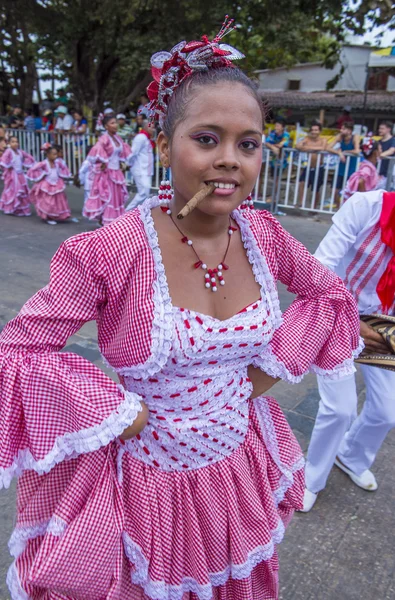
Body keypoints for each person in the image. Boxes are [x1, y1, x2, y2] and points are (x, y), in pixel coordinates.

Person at [0, 24, 361, 600]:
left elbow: (330, 297)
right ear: (166, 146)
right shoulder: (112, 249)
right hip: (148, 485)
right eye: (207, 139)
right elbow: (18, 349)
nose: (229, 161)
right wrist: (120, 410)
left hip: (236, 470)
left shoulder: (264, 236)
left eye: (248, 144)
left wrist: (258, 378)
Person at [301, 188, 395, 513]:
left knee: (387, 412)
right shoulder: (365, 206)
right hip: (336, 311)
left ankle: (351, 455)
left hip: (384, 326)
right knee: (341, 410)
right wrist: (352, 323)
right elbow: (319, 268)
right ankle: (310, 479)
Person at [83, 115, 131, 225]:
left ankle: (113, 221)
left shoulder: (117, 138)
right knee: (109, 197)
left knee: (117, 198)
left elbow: (121, 153)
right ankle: (107, 221)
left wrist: (122, 164)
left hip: (117, 172)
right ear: (106, 126)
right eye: (112, 123)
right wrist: (103, 162)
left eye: (115, 122)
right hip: (107, 173)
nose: (115, 125)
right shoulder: (104, 139)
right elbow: (97, 152)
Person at [27, 142, 75, 225]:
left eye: (56, 154)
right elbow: (33, 170)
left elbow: (64, 168)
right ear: (48, 154)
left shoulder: (58, 163)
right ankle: (48, 217)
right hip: (47, 184)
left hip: (56, 183)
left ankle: (58, 215)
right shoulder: (43, 163)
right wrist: (42, 174)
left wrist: (63, 173)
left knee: (58, 201)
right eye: (53, 154)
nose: (55, 156)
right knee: (48, 202)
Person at [0, 135, 35, 216]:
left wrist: (27, 162)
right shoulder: (8, 151)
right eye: (13, 142)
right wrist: (9, 165)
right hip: (13, 175)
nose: (15, 143)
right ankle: (12, 208)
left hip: (20, 174)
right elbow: (4, 161)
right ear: (8, 143)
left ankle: (20, 208)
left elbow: (28, 156)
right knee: (14, 191)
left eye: (16, 142)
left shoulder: (20, 151)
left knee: (21, 191)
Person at [343, 134, 385, 201]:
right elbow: (360, 181)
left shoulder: (368, 166)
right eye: (380, 149)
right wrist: (364, 196)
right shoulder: (367, 167)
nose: (381, 151)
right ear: (375, 152)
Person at [295, 120, 328, 206]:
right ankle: (301, 203)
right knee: (302, 183)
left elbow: (323, 148)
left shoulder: (323, 140)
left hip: (319, 168)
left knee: (316, 189)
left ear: (320, 131)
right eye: (312, 130)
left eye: (316, 130)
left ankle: (314, 207)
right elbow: (298, 146)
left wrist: (308, 147)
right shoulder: (307, 139)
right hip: (309, 167)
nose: (314, 132)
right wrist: (309, 147)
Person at [126, 118, 155, 210]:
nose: (153, 130)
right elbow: (133, 152)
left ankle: (139, 214)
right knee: (143, 193)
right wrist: (127, 164)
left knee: (145, 193)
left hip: (147, 169)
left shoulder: (147, 138)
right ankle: (127, 212)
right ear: (146, 127)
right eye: (152, 128)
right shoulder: (141, 137)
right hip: (140, 169)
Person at [328, 121, 360, 204]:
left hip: (352, 168)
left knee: (350, 191)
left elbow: (357, 150)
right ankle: (338, 208)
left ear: (349, 131)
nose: (341, 130)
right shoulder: (340, 137)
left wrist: (345, 151)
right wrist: (339, 153)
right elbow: (328, 147)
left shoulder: (355, 137)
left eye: (343, 129)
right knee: (334, 190)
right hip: (341, 168)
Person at [76, 145, 94, 212]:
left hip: (95, 184)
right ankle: (86, 211)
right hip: (88, 184)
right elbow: (82, 172)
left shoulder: (97, 162)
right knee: (88, 198)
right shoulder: (87, 162)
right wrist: (82, 181)